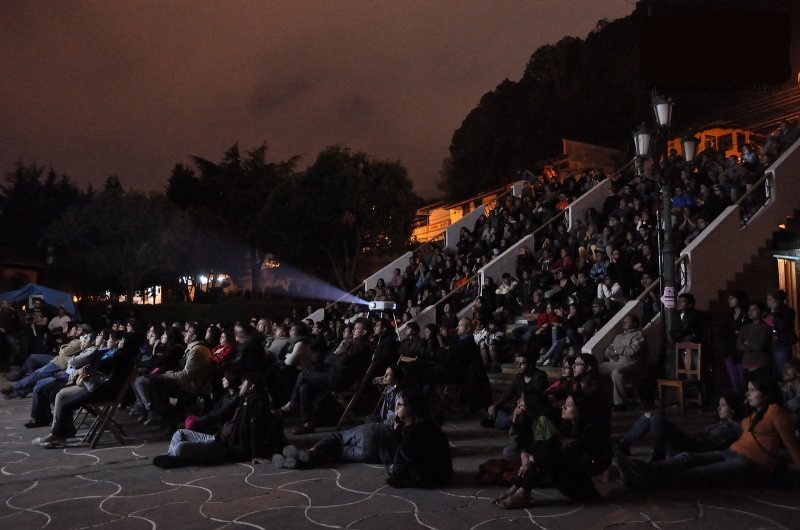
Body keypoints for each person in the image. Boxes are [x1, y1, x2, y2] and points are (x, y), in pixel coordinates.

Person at [616, 378, 800, 489]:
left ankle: (640, 480)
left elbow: (791, 444)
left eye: (752, 390)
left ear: (766, 393)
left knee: (695, 474)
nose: (747, 394)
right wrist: (744, 404)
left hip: (752, 464)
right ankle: (637, 468)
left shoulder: (775, 410)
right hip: (733, 452)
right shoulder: (755, 413)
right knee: (686, 458)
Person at [491, 392, 610, 509]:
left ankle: (521, 492)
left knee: (543, 453)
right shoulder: (568, 427)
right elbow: (532, 443)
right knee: (539, 450)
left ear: (581, 408)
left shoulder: (591, 432)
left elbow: (566, 455)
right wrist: (526, 453)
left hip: (584, 487)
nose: (563, 406)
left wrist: (534, 459)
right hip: (564, 476)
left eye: (569, 404)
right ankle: (517, 488)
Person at [152, 373, 285, 469]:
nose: (241, 386)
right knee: (180, 433)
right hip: (218, 437)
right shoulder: (239, 398)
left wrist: (254, 454)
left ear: (251, 386)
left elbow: (253, 428)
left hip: (225, 446)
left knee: (181, 447)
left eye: (244, 383)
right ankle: (172, 457)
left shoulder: (252, 401)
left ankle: (175, 458)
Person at [614, 394, 744, 461]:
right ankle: (624, 444)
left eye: (723, 405)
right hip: (690, 441)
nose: (718, 408)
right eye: (719, 404)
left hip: (691, 448)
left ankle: (658, 456)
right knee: (650, 415)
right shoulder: (722, 422)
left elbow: (711, 447)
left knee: (657, 418)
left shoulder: (734, 427)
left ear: (732, 409)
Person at [598, 315, 646, 411]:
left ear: (635, 323)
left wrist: (616, 351)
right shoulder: (618, 336)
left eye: (627, 321)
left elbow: (632, 350)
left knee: (617, 372)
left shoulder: (639, 335)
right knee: (597, 368)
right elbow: (608, 349)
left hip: (631, 363)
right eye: (624, 321)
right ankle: (604, 400)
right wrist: (609, 353)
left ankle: (620, 404)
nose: (624, 323)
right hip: (615, 362)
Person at [765, 290, 797, 379]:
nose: (768, 301)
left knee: (782, 370)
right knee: (773, 372)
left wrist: (774, 313)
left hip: (781, 344)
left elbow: (783, 326)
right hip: (769, 344)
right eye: (767, 299)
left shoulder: (788, 311)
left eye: (770, 299)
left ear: (778, 300)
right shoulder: (767, 312)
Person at [722, 291, 749, 394]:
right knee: (734, 379)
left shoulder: (746, 315)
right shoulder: (729, 316)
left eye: (732, 298)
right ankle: (738, 400)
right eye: (729, 298)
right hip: (729, 350)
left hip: (741, 351)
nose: (729, 300)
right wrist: (735, 332)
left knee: (743, 378)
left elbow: (744, 332)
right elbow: (724, 332)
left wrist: (737, 332)